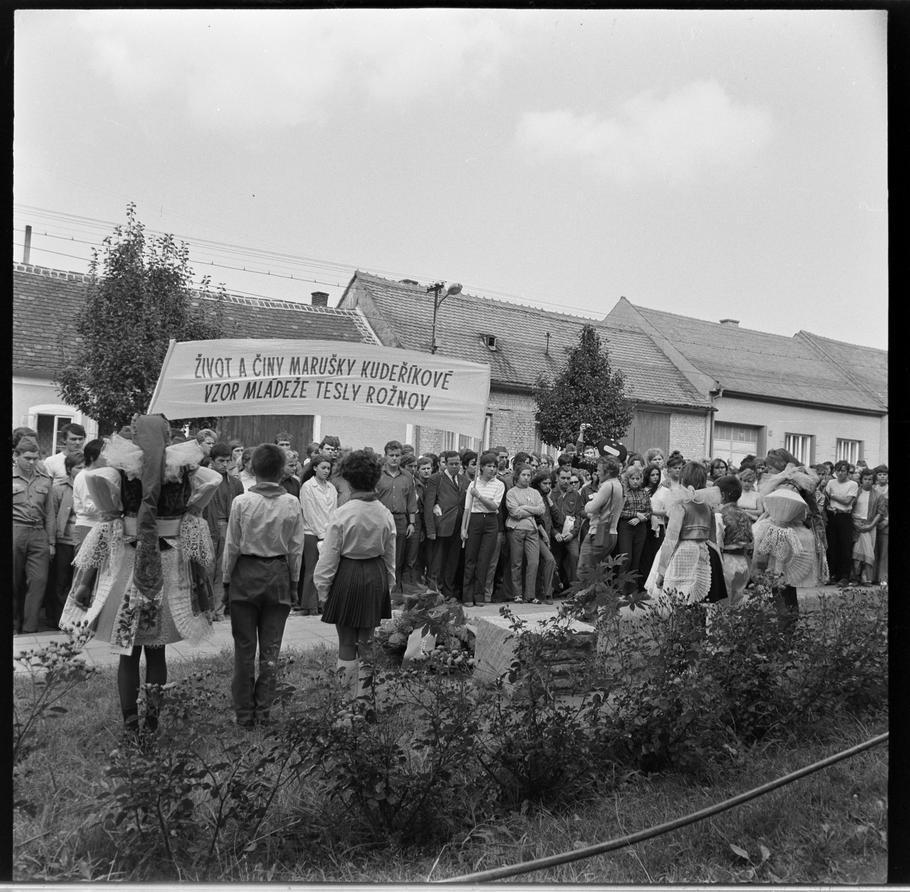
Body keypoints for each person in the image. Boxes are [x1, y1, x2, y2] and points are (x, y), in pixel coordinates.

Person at [60, 416, 221, 735]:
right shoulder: (184, 466)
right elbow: (213, 480)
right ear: (166, 434)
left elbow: (98, 488)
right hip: (168, 562)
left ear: (135, 433)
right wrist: (191, 511)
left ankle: (131, 722)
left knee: (128, 651)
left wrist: (114, 514)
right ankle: (152, 721)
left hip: (130, 562)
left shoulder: (121, 464)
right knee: (157, 649)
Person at [222, 443, 306, 728]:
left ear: (252, 469)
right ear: (282, 471)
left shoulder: (242, 502)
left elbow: (231, 546)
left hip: (245, 572)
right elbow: (296, 549)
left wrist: (225, 580)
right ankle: (264, 712)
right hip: (279, 575)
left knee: (244, 648)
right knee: (271, 648)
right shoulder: (292, 503)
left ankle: (244, 714)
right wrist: (294, 583)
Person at [313, 450, 396, 708]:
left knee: (346, 641)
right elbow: (391, 555)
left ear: (347, 480)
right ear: (376, 479)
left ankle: (344, 701)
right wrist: (387, 586)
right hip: (374, 575)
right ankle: (365, 700)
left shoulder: (343, 513)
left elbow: (329, 556)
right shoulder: (384, 513)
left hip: (347, 575)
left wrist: (323, 589)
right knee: (367, 640)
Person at [752, 450, 823, 622]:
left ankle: (785, 622)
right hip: (792, 532)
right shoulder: (795, 481)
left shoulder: (789, 484)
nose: (768, 471)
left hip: (784, 533)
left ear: (779, 466)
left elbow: (784, 514)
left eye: (770, 467)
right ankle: (786, 620)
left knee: (781, 583)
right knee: (784, 586)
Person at [645, 461, 725, 606]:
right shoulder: (707, 505)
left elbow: (670, 540)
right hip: (708, 552)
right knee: (702, 603)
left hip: (685, 553)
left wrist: (661, 572)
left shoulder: (680, 504)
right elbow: (713, 537)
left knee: (681, 600)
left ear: (683, 479)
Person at [13, 437, 55, 634]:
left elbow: (51, 514)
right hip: (15, 530)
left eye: (35, 459)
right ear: (16, 456)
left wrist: (51, 542)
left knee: (39, 581)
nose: (31, 462)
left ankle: (30, 627)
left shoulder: (45, 479)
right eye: (27, 458)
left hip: (38, 533)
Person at [204, 443, 245, 619]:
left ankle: (218, 610)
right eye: (221, 461)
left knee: (223, 569)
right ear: (212, 461)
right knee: (206, 570)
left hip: (227, 527)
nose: (225, 464)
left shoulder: (235, 483)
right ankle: (205, 610)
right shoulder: (204, 479)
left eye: (228, 461)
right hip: (207, 527)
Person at [459, 451, 505, 606]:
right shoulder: (473, 484)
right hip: (475, 519)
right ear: (482, 468)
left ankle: (479, 595)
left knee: (484, 559)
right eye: (489, 466)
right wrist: (463, 528)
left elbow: (494, 506)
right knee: (470, 558)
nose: (492, 469)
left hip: (491, 521)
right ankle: (467, 596)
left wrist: (479, 496)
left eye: (494, 466)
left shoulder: (499, 485)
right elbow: (467, 508)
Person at [46, 451, 84, 629]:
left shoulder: (90, 487)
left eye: (85, 466)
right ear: (69, 469)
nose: (82, 470)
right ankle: (60, 620)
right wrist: (52, 542)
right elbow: (51, 517)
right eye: (78, 467)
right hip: (63, 541)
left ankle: (76, 619)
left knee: (79, 581)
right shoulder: (58, 489)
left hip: (83, 541)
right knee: (61, 581)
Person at [375, 440, 417, 600]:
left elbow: (411, 500)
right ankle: (379, 591)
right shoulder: (378, 474)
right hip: (381, 518)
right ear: (385, 456)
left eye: (397, 455)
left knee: (397, 557)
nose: (394, 458)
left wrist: (411, 522)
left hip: (400, 519)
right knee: (380, 553)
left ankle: (395, 592)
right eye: (391, 455)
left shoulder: (407, 476)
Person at [298, 453, 338, 615]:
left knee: (326, 569)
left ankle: (323, 603)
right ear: (315, 468)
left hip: (328, 533)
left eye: (328, 468)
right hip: (311, 533)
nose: (326, 471)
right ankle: (309, 605)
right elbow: (309, 513)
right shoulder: (307, 487)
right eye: (323, 468)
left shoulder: (332, 488)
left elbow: (334, 511)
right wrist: (321, 533)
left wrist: (330, 532)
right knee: (312, 569)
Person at [423, 451, 466, 599]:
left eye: (457, 463)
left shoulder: (463, 479)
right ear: (445, 464)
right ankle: (435, 591)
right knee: (437, 562)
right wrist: (430, 530)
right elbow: (429, 505)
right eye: (452, 464)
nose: (455, 466)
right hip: (442, 525)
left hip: (458, 526)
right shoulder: (437, 479)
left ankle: (448, 591)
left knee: (452, 561)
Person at [577, 456, 624, 580]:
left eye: (598, 470)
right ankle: (597, 596)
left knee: (586, 568)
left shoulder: (608, 485)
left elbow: (590, 508)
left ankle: (590, 596)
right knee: (595, 569)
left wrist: (588, 504)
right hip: (610, 531)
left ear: (607, 472)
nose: (597, 473)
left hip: (600, 530)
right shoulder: (618, 484)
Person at [506, 463, 546, 603]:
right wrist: (531, 510)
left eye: (529, 475)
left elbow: (541, 509)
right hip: (516, 529)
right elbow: (514, 512)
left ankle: (530, 595)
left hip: (532, 529)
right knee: (516, 563)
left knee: (533, 562)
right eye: (524, 475)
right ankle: (517, 594)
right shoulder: (511, 492)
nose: (527, 478)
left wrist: (525, 507)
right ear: (517, 476)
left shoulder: (535, 492)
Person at [714, 475, 753, 606]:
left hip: (726, 561)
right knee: (738, 601)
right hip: (743, 562)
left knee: (722, 602)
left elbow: (718, 540)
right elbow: (751, 539)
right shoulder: (744, 514)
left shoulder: (720, 514)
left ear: (723, 495)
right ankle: (737, 626)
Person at [615, 465, 652, 594]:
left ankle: (632, 589)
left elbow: (649, 511)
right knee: (626, 558)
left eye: (638, 478)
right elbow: (619, 511)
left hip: (640, 527)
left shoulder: (645, 492)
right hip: (626, 526)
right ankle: (621, 588)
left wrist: (641, 518)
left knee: (636, 559)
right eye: (633, 478)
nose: (635, 481)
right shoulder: (623, 492)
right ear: (628, 479)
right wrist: (635, 515)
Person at [550, 464, 586, 589]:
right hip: (555, 534)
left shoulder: (575, 495)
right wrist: (555, 533)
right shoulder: (551, 494)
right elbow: (547, 518)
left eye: (568, 478)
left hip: (570, 533)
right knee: (554, 560)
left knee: (575, 556)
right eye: (563, 478)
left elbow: (578, 516)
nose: (566, 481)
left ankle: (574, 589)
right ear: (557, 477)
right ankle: (553, 588)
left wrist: (573, 533)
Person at [824, 460, 858, 585]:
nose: (840, 473)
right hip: (832, 515)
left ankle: (844, 576)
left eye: (843, 470)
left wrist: (832, 496)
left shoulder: (853, 484)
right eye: (837, 470)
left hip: (845, 516)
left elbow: (847, 501)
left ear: (847, 472)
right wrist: (829, 504)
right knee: (832, 546)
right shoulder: (831, 482)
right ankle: (832, 574)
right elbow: (825, 498)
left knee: (845, 547)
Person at [851, 468, 884, 585]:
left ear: (873, 480)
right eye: (865, 479)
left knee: (869, 552)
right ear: (861, 480)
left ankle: (866, 578)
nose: (868, 481)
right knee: (856, 552)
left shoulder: (878, 495)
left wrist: (870, 526)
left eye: (870, 479)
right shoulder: (855, 492)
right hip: (856, 525)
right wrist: (854, 523)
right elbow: (849, 509)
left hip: (870, 526)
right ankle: (855, 578)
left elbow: (880, 513)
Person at [529, 470, 558, 602]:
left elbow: (558, 519)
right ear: (538, 484)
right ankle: (546, 593)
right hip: (536, 534)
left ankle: (544, 592)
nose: (548, 486)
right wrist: (544, 534)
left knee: (546, 563)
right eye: (544, 483)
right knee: (549, 559)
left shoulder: (547, 498)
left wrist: (551, 502)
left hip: (547, 535)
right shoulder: (535, 496)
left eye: (550, 483)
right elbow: (536, 517)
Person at [72, 438, 106, 547]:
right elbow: (88, 507)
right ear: (92, 457)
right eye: (103, 454)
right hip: (86, 526)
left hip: (100, 526)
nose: (107, 457)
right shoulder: (84, 476)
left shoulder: (101, 474)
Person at [638, 462, 666, 592]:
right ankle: (641, 584)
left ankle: (652, 586)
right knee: (643, 555)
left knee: (654, 556)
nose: (655, 477)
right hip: (643, 524)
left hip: (658, 527)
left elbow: (667, 511)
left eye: (657, 474)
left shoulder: (665, 491)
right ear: (647, 476)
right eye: (652, 474)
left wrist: (651, 511)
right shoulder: (641, 490)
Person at [871, 464, 888, 585]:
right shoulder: (873, 488)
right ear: (876, 476)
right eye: (880, 474)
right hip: (872, 523)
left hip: (885, 523)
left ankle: (883, 577)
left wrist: (887, 521)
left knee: (884, 551)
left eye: (885, 474)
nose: (882, 476)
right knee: (873, 550)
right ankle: (873, 577)